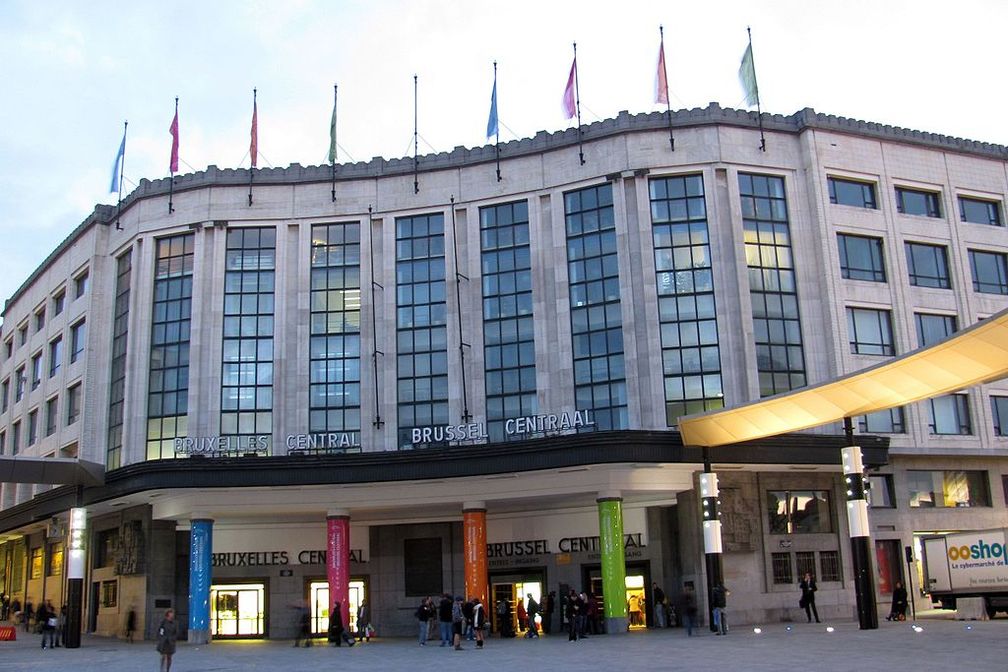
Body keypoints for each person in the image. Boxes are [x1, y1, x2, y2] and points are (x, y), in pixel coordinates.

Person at [156, 608, 178, 672]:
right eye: (171, 613)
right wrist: (161, 637)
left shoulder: (175, 623)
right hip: (164, 641)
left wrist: (174, 638)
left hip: (171, 642)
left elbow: (176, 632)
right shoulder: (163, 622)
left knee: (169, 657)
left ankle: (168, 670)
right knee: (163, 656)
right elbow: (160, 630)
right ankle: (162, 669)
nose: (172, 615)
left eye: (172, 614)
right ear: (167, 615)